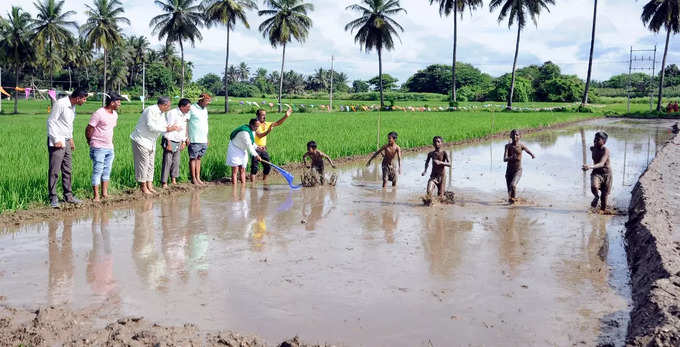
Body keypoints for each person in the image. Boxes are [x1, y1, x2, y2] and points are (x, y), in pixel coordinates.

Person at [47, 88, 89, 208]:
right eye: (84, 99)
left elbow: (68, 125)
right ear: (78, 98)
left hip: (66, 140)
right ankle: (53, 197)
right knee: (54, 171)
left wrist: (71, 139)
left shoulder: (73, 106)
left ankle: (68, 196)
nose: (85, 101)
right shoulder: (61, 104)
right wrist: (56, 140)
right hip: (58, 141)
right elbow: (51, 121)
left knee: (67, 169)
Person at [130, 97, 179, 195]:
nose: (169, 108)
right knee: (143, 164)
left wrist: (168, 128)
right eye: (168, 106)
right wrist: (167, 129)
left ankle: (150, 185)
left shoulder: (162, 113)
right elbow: (150, 126)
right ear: (163, 105)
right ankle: (143, 187)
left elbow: (164, 126)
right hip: (141, 140)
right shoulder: (150, 110)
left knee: (151, 164)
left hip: (151, 142)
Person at [85, 93, 122, 202]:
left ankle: (104, 193)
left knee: (107, 170)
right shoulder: (99, 113)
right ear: (112, 103)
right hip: (98, 147)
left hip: (109, 147)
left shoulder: (115, 114)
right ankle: (96, 196)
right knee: (97, 171)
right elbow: (89, 128)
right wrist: (89, 140)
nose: (120, 104)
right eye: (118, 102)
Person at [248, 106, 292, 183]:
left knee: (267, 167)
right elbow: (259, 135)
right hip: (256, 149)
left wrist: (286, 116)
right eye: (262, 115)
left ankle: (264, 182)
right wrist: (268, 131)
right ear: (257, 116)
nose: (264, 117)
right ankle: (252, 185)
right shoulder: (255, 124)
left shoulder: (267, 124)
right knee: (254, 168)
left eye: (265, 115)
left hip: (263, 149)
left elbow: (278, 123)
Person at [161, 98, 191, 188]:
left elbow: (184, 128)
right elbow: (167, 127)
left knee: (176, 161)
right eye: (188, 107)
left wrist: (184, 141)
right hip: (170, 139)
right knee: (167, 161)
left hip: (179, 140)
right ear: (182, 106)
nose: (189, 109)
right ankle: (164, 182)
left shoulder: (185, 114)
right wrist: (168, 142)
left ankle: (174, 180)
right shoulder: (172, 113)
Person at [503, 129, 535, 204]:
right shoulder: (508, 146)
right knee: (509, 191)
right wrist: (511, 157)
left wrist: (532, 155)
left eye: (517, 134)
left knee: (513, 185)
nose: (515, 136)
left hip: (518, 170)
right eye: (513, 134)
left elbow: (527, 150)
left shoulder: (521, 145)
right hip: (509, 172)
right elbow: (504, 159)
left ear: (520, 136)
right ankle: (511, 203)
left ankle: (514, 205)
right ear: (510, 136)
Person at [227, 118, 262, 186]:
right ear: (251, 125)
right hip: (235, 148)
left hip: (243, 148)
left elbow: (251, 142)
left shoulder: (252, 131)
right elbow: (249, 145)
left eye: (258, 126)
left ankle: (243, 188)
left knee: (243, 169)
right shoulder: (244, 132)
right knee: (235, 170)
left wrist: (257, 146)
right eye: (256, 126)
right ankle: (234, 190)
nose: (257, 128)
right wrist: (257, 155)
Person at [582, 131, 611, 211]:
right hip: (596, 172)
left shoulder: (605, 151)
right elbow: (592, 150)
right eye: (594, 139)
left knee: (604, 197)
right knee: (594, 187)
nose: (595, 140)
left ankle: (602, 213)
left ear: (604, 142)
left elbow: (601, 163)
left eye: (598, 139)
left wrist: (590, 167)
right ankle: (596, 196)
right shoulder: (592, 148)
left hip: (606, 174)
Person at [187, 93, 212, 185]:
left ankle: (198, 177)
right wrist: (187, 137)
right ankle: (193, 178)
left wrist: (207, 137)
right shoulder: (192, 108)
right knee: (193, 158)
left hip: (203, 139)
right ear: (201, 100)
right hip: (194, 138)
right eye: (207, 101)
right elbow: (186, 121)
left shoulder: (205, 110)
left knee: (199, 158)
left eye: (209, 101)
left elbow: (205, 124)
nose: (208, 103)